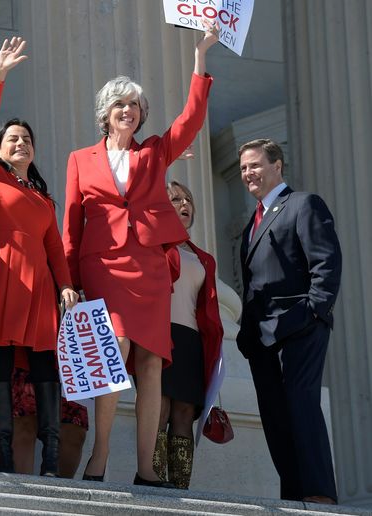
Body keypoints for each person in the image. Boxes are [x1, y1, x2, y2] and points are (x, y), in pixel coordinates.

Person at [62, 20, 219, 487]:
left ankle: (146, 468)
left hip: (150, 268)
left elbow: (190, 120)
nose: (127, 110)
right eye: (119, 104)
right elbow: (71, 225)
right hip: (104, 266)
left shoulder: (153, 153)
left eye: (134, 104)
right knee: (116, 350)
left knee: (151, 364)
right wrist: (69, 281)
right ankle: (100, 455)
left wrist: (199, 60)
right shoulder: (79, 159)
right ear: (105, 114)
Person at [0, 37, 78, 476]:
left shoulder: (43, 198)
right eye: (12, 139)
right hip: (1, 278)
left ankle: (51, 457)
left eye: (26, 139)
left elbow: (54, 247)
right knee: (1, 364)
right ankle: (7, 457)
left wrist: (66, 284)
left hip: (40, 287)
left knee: (46, 363)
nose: (20, 143)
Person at [236, 139, 341, 504]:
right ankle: (295, 497)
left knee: (301, 405)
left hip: (301, 325)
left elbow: (326, 263)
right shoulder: (251, 224)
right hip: (262, 340)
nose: (248, 173)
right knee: (277, 419)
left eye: (255, 165)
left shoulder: (302, 204)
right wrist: (245, 337)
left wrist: (315, 310)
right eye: (244, 168)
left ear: (277, 165)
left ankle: (319, 495)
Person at [153, 181, 224, 488]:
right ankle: (151, 479)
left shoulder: (203, 258)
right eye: (174, 199)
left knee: (184, 412)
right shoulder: (152, 246)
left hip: (191, 340)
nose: (184, 204)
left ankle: (180, 486)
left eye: (187, 200)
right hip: (159, 334)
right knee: (160, 407)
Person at [11, 368, 89, 478]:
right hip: (29, 355)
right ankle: (21, 489)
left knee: (73, 431)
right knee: (24, 422)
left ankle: (60, 491)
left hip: (72, 359)